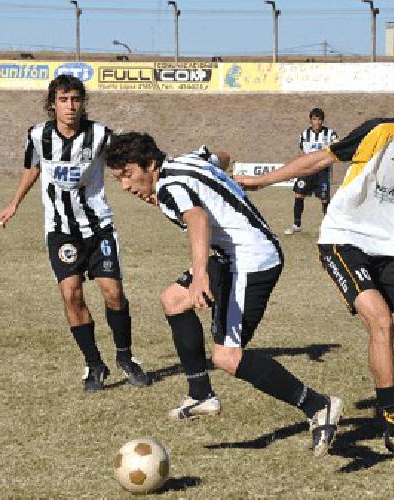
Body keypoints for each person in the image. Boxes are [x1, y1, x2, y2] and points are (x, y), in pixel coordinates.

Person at [235, 79, 394, 462]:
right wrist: (262, 180)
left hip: (393, 246)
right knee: (381, 322)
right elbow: (321, 159)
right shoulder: (382, 132)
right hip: (345, 238)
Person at [104, 132, 344, 457]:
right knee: (174, 300)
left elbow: (197, 219)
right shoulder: (187, 160)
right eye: (118, 178)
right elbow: (223, 156)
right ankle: (201, 394)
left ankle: (319, 405)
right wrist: (220, 187)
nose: (125, 186)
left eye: (128, 175)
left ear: (149, 164)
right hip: (233, 255)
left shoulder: (169, 186)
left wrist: (200, 272)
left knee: (227, 356)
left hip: (250, 260)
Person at [0, 74, 151, 392]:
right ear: (52, 104)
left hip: (98, 227)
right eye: (63, 100)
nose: (70, 106)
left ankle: (126, 357)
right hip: (60, 229)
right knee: (71, 293)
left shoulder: (100, 136)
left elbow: (126, 163)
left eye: (76, 99)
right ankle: (94, 364)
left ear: (83, 103)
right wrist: (14, 203)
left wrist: (145, 187)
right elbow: (33, 167)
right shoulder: (38, 135)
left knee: (112, 293)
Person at [283, 108, 339, 235]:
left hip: (322, 171)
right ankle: (297, 224)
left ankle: (329, 227)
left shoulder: (331, 134)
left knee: (324, 199)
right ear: (310, 120)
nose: (317, 122)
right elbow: (302, 153)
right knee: (299, 195)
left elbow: (335, 151)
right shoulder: (304, 134)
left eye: (319, 119)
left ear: (322, 121)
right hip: (306, 171)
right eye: (314, 119)